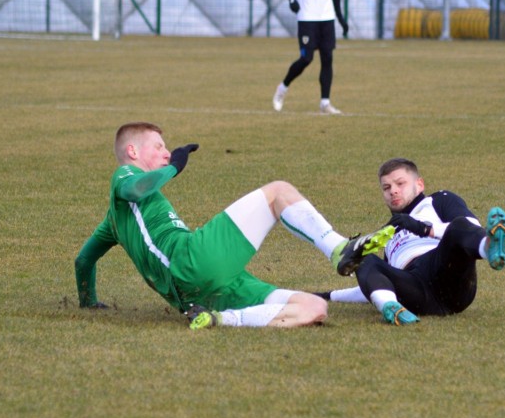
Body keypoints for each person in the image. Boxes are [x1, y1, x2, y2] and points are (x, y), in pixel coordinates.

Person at [73, 122, 392, 329]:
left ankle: (216, 319)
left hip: (200, 294)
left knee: (313, 307)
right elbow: (136, 190)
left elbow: (83, 260)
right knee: (278, 191)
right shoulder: (124, 178)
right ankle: (338, 249)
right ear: (132, 152)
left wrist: (89, 303)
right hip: (191, 261)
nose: (166, 151)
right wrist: (173, 169)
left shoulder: (112, 224)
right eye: (158, 146)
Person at [316, 158, 505, 326]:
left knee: (458, 226)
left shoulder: (439, 200)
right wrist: (327, 295)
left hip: (450, 274)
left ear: (419, 184)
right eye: (387, 187)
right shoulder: (388, 234)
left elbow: (470, 227)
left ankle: (490, 248)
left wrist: (424, 229)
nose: (393, 191)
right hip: (416, 292)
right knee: (362, 256)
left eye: (400, 184)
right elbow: (377, 281)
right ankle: (390, 308)